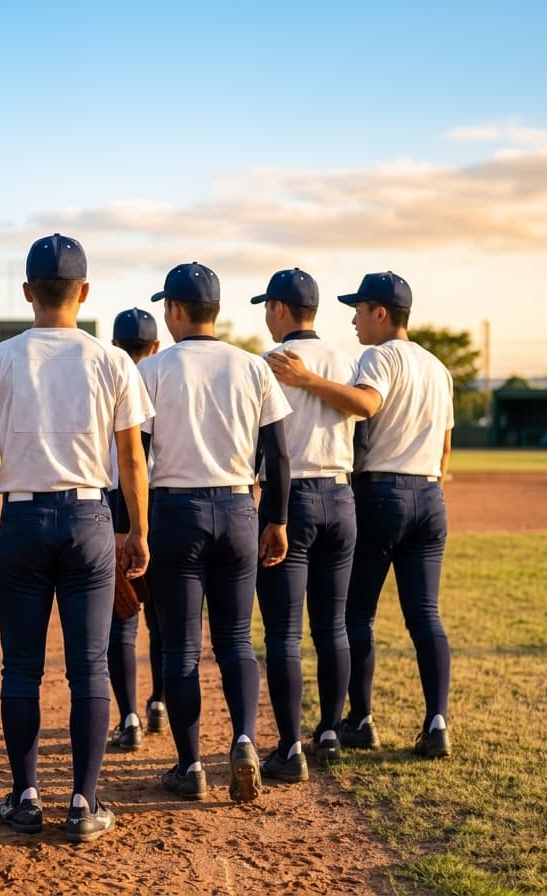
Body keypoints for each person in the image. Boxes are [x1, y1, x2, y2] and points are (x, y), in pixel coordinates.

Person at [0, 234, 152, 843]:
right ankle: (84, 804)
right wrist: (137, 529)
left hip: (25, 522)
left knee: (21, 668)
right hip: (91, 519)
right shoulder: (111, 360)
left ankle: (26, 795)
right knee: (89, 668)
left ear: (27, 293)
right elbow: (132, 460)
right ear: (84, 292)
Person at [266, 271, 453, 759]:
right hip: (432, 495)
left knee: (355, 615)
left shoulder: (378, 356)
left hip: (382, 492)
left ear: (381, 313)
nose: (353, 319)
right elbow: (447, 445)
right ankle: (436, 721)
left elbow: (367, 406)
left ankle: (359, 718)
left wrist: (307, 379)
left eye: (359, 309)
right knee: (426, 616)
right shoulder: (438, 367)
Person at [139, 261, 292, 803]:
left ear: (175, 310)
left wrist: (133, 527)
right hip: (237, 508)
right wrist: (276, 519)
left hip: (175, 511)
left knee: (181, 649)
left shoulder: (154, 370)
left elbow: (135, 455)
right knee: (235, 641)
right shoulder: (252, 367)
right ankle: (246, 740)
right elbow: (277, 454)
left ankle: (191, 765)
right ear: (218, 310)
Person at [249, 269, 358, 782]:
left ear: (278, 308)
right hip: (341, 495)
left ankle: (291, 749)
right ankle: (330, 732)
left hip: (288, 501)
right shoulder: (345, 358)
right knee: (332, 624)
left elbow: (259, 440)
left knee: (284, 634)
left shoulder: (268, 363)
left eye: (266, 307)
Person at [105, 308, 165, 751]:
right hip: (164, 506)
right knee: (163, 619)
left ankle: (128, 717)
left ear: (114, 344)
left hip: (115, 509)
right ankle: (159, 702)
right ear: (155, 347)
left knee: (121, 619)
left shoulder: (108, 381)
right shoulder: (168, 380)